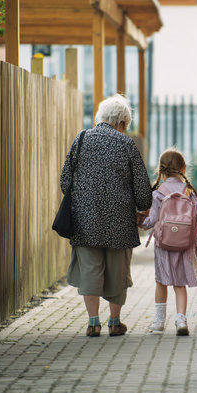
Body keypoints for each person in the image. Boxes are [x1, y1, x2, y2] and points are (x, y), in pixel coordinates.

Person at [60, 94, 152, 337]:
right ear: (121, 123)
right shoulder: (126, 144)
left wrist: (84, 199)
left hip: (85, 221)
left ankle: (93, 322)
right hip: (120, 222)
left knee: (90, 270)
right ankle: (114, 321)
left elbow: (65, 181)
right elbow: (142, 188)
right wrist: (142, 209)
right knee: (117, 272)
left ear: (100, 117)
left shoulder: (80, 140)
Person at [139, 148, 197, 336]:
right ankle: (181, 319)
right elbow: (193, 220)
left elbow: (151, 221)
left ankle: (159, 322)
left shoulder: (158, 193)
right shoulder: (189, 192)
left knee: (161, 282)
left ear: (160, 171)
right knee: (180, 283)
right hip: (185, 244)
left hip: (164, 244)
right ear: (184, 169)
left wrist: (141, 223)